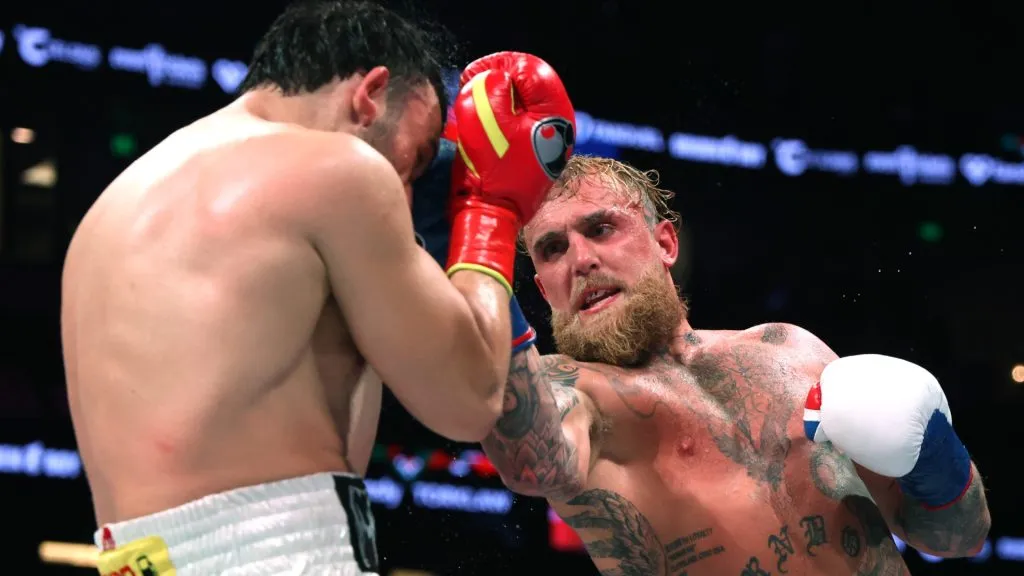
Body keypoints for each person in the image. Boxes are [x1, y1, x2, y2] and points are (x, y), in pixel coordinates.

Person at [60, 0, 575, 573]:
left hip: (131, 558)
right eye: (420, 155)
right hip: (281, 550)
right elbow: (468, 399)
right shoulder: (341, 170)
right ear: (371, 94)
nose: (408, 190)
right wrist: (489, 210)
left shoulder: (108, 212)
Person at [479, 155, 991, 575]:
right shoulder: (566, 391)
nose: (580, 259)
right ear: (543, 289)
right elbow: (530, 458)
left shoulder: (791, 350)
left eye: (601, 228)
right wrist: (482, 242)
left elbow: (961, 536)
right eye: (552, 249)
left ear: (665, 244)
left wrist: (934, 457)